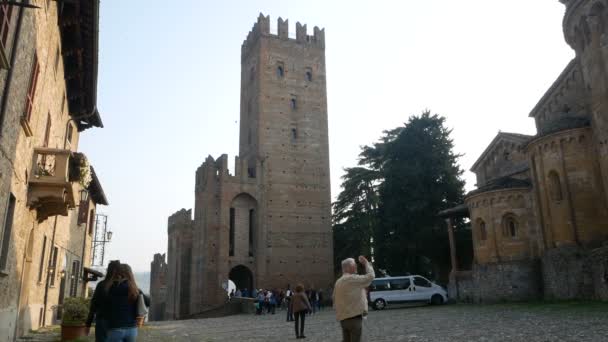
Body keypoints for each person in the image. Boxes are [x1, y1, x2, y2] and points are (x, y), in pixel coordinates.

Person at [333, 256, 375, 342]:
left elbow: (334, 299)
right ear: (348, 267)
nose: (356, 266)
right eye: (354, 264)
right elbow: (370, 276)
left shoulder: (338, 281)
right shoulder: (351, 278)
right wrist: (367, 264)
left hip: (343, 319)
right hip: (354, 319)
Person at [105, 264, 150, 342]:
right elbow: (148, 302)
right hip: (131, 329)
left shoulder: (110, 288)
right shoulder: (135, 289)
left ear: (117, 273)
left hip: (115, 328)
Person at [85, 260, 121, 341]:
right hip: (118, 322)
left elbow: (93, 306)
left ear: (108, 271)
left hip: (102, 321)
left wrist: (88, 324)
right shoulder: (123, 286)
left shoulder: (101, 285)